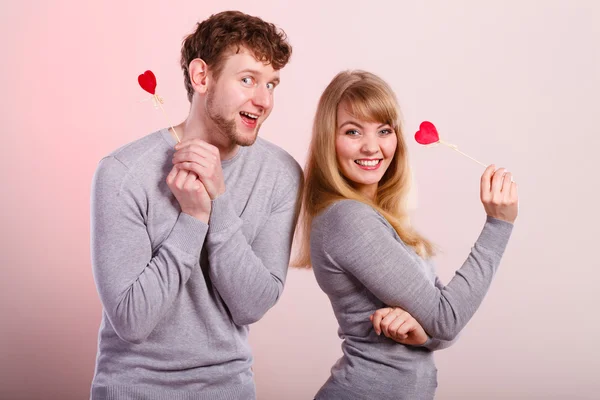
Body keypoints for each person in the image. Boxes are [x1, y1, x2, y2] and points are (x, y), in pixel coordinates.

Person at [90, 11, 302, 400]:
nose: (264, 100)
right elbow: (132, 321)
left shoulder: (281, 174)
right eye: (248, 79)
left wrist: (218, 203)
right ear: (201, 77)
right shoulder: (122, 172)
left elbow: (252, 305)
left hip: (229, 390)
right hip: (135, 389)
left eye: (271, 83)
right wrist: (193, 218)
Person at [296, 70, 518, 400]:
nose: (372, 147)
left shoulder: (377, 215)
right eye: (353, 131)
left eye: (383, 130)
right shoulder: (348, 219)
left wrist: (422, 336)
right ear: (330, 139)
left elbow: (442, 327)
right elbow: (448, 318)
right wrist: (498, 226)